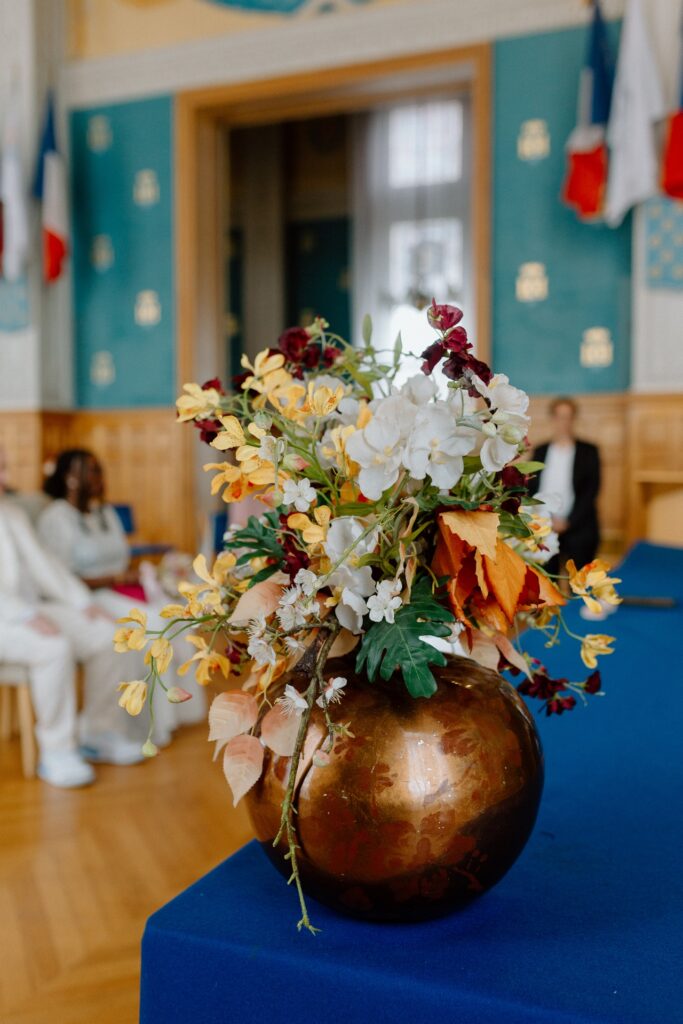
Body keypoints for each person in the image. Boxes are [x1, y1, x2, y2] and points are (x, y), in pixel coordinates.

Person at [38, 449, 205, 739]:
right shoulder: (56, 518)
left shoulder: (105, 512)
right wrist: (115, 578)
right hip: (86, 597)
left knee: (177, 613)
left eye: (99, 470)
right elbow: (59, 578)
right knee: (152, 622)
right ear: (70, 478)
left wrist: (154, 575)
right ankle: (148, 723)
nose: (99, 477)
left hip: (121, 588)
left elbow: (122, 558)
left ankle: (177, 710)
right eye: (91, 471)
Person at [0, 499, 144, 788]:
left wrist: (81, 602)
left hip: (30, 607)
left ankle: (99, 732)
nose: (5, 476)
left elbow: (44, 565)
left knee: (107, 634)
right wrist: (22, 615)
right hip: (8, 614)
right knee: (53, 647)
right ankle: (57, 751)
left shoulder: (12, 512)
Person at [529, 396, 600, 572]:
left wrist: (567, 522)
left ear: (574, 419)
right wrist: (547, 519)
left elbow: (591, 490)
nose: (564, 422)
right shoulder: (540, 451)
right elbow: (531, 487)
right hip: (544, 527)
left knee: (580, 582)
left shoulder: (589, 451)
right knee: (548, 584)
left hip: (579, 527)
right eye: (559, 416)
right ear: (552, 419)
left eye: (568, 416)